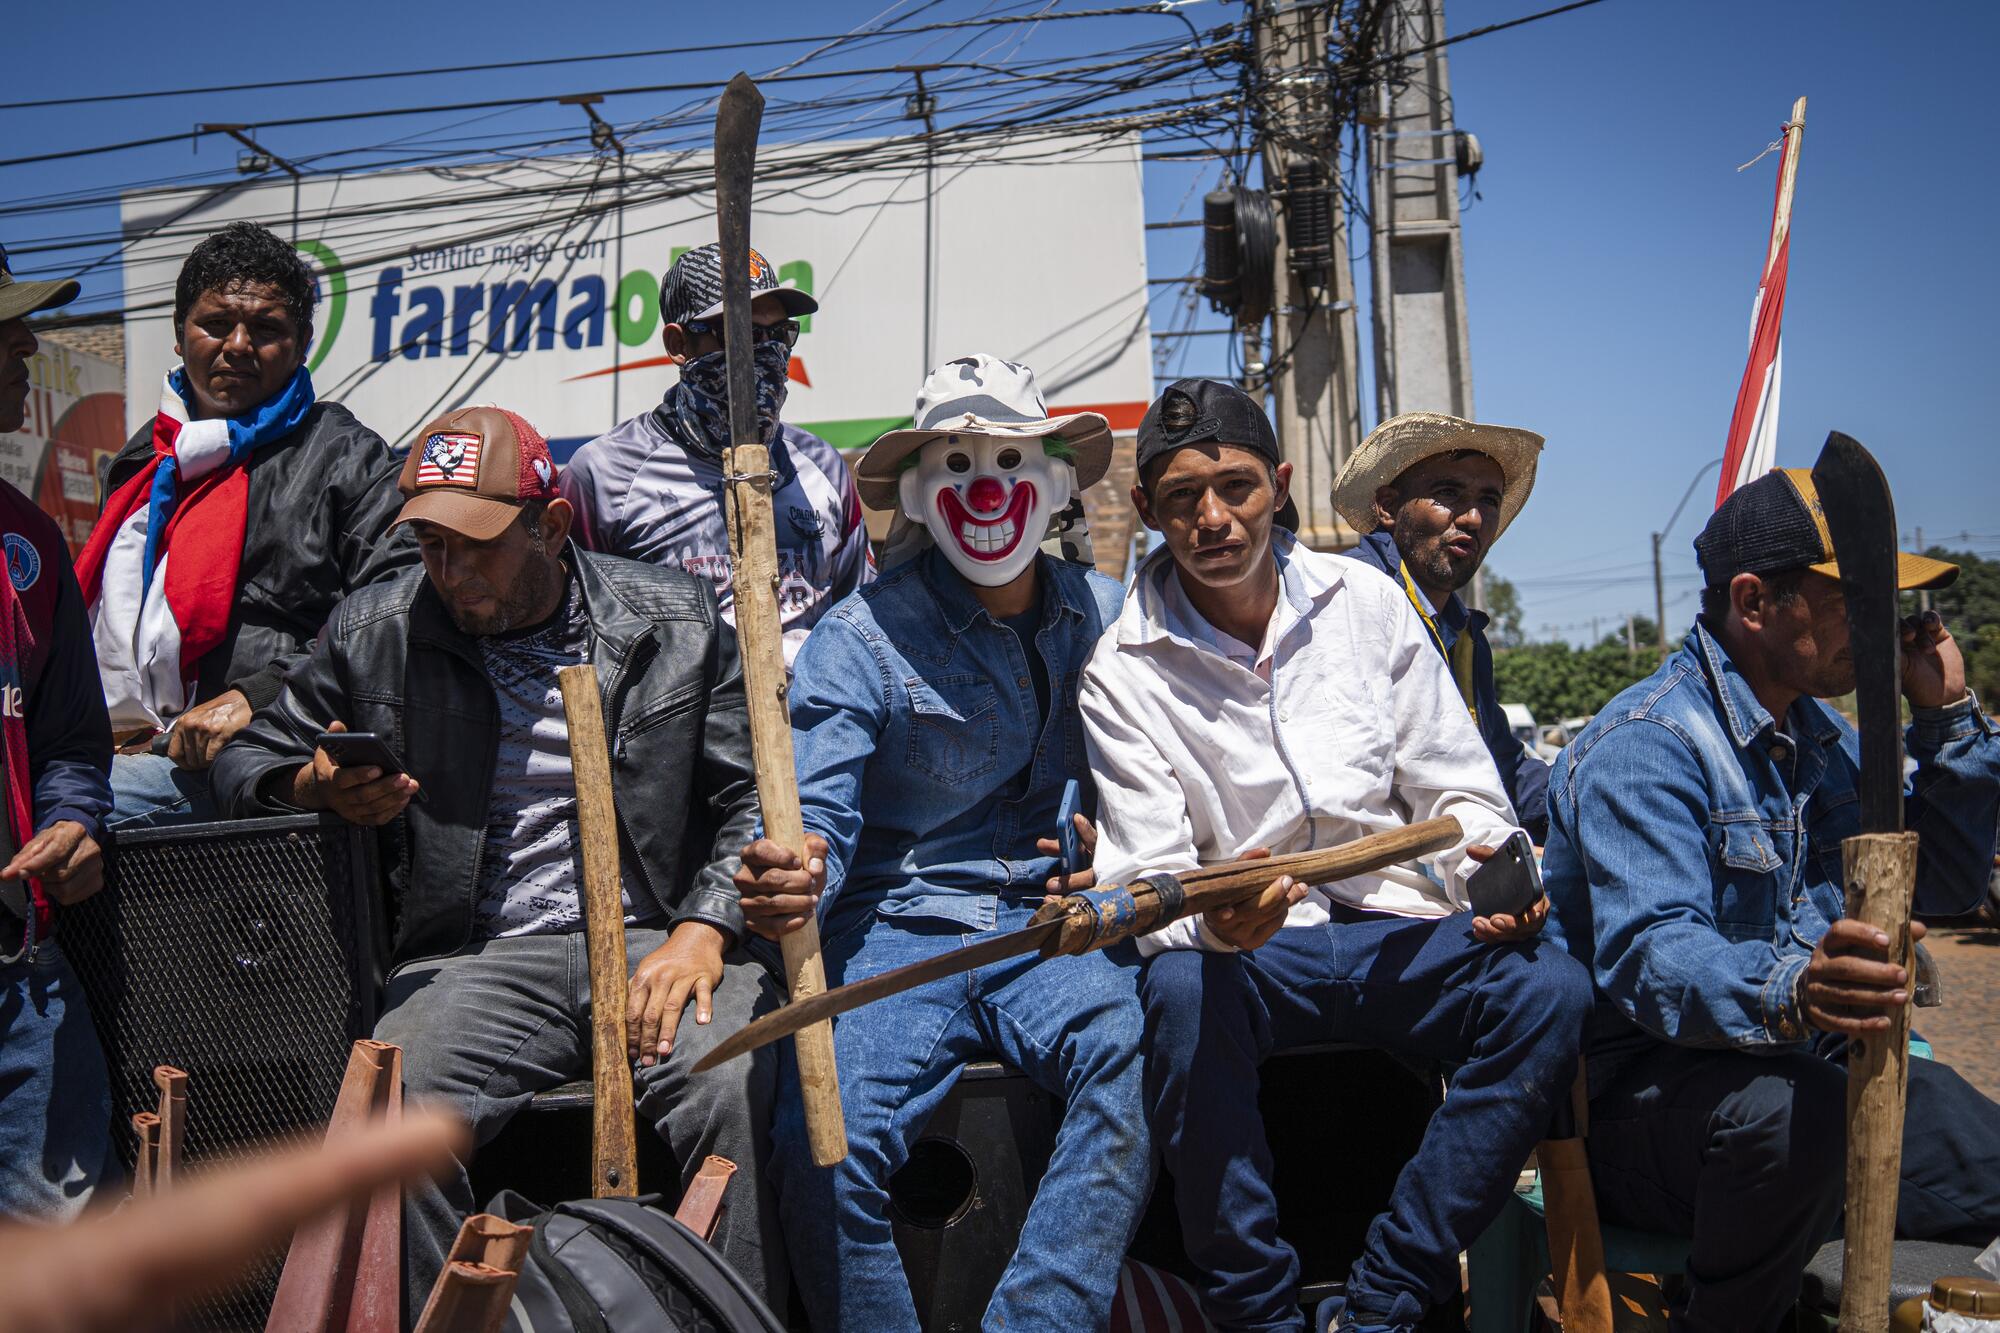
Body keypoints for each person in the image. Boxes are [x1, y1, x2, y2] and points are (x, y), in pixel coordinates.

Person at [209, 407, 783, 1316]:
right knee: (391, 1119)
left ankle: (719, 1314)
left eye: (476, 544)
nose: (451, 570)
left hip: (652, 939)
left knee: (741, 1079)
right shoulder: (377, 627)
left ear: (550, 527)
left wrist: (704, 929)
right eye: (432, 544)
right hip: (477, 956)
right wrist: (312, 784)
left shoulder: (672, 617)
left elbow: (753, 793)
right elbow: (249, 757)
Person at [1079, 378, 1592, 1333]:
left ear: (1279, 486)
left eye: (1235, 487)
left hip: (1395, 926)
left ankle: (1387, 1300)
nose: (1213, 517)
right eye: (1182, 498)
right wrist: (1215, 917)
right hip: (1254, 954)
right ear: (1147, 511)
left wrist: (1495, 874)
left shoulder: (1365, 601)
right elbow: (1145, 875)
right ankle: (1259, 1313)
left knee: (1549, 989)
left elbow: (1461, 792)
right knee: (1181, 995)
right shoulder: (1121, 668)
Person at [735, 354, 1148, 1332]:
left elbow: (1160, 779)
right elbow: (812, 814)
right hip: (895, 929)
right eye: (955, 463)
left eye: (1007, 456)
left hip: (1050, 927)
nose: (986, 485)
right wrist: (790, 872)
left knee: (1134, 1056)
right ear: (921, 491)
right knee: (826, 1144)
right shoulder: (861, 637)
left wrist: (1124, 842)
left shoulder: (1111, 616)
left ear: (1051, 480)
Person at [1541, 467, 2000, 1333]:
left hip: (1804, 1072)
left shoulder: (1821, 739)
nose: (1880, 626)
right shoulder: (1649, 744)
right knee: (1799, 1116)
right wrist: (1796, 987)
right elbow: (1654, 953)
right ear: (1753, 602)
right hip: (1641, 1107)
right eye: (1850, 600)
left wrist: (1944, 718)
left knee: (1974, 1150)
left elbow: (1941, 882)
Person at [77, 221, 412, 828]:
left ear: (302, 342)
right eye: (215, 324)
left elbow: (397, 604)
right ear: (180, 335)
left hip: (258, 757)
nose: (237, 345)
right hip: (117, 747)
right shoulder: (141, 463)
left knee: (63, 822)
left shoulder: (346, 457)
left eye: (266, 329)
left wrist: (256, 696)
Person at [560, 242, 871, 665]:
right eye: (739, 334)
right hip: (679, 725)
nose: (765, 354)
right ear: (679, 342)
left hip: (812, 725)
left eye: (779, 335)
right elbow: (578, 636)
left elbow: (862, 629)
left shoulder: (822, 467)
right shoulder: (605, 475)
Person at [0, 249, 116, 1223]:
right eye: (1, 330)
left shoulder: (31, 545)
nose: (25, 346)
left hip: (20, 985)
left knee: (71, 1257)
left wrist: (76, 819)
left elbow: (72, 739)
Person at [1333, 412, 1551, 840]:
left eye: (1489, 500)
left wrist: (1594, 790)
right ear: (1388, 506)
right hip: (1365, 884)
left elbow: (1499, 767)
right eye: (1448, 493)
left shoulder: (1463, 632)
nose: (1472, 517)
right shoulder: (1346, 599)